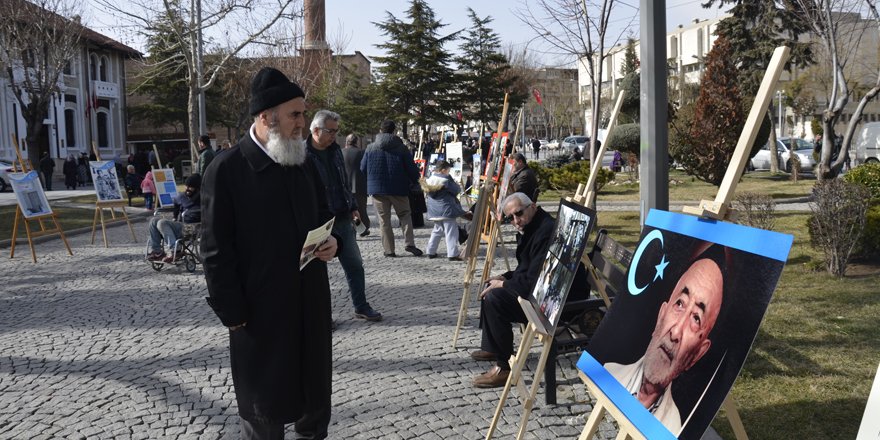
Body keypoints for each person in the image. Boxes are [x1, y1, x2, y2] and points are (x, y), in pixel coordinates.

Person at [201, 67, 339, 440]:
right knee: (264, 411)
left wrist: (332, 243)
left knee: (314, 404)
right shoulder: (226, 170)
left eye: (304, 113)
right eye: (295, 114)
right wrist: (232, 313)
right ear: (266, 117)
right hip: (259, 315)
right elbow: (215, 250)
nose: (303, 123)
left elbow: (325, 215)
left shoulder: (304, 163)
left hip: (309, 304)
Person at [604, 252, 725, 434]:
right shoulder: (608, 373)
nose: (675, 332)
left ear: (697, 354)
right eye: (680, 304)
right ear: (661, 316)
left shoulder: (673, 429)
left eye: (696, 319)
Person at [470, 193, 558, 388]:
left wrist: (505, 284)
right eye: (510, 218)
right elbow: (527, 269)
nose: (516, 220)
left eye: (519, 213)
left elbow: (534, 280)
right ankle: (493, 347)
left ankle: (504, 367)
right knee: (490, 286)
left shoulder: (544, 230)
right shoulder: (532, 226)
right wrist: (506, 277)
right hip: (539, 288)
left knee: (495, 297)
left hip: (552, 300)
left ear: (533, 206)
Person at [307, 110, 383, 322]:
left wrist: (352, 206)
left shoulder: (335, 151)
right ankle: (322, 315)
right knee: (317, 273)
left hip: (342, 218)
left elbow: (342, 181)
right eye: (330, 131)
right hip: (319, 223)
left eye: (336, 131)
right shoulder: (303, 154)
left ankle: (361, 306)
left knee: (354, 265)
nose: (334, 135)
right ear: (315, 130)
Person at [360, 120, 424, 257]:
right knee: (405, 215)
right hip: (399, 188)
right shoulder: (401, 148)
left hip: (377, 190)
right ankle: (409, 244)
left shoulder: (370, 147)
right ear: (394, 131)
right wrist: (415, 181)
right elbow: (412, 169)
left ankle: (389, 250)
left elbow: (362, 168)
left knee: (384, 221)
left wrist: (371, 181)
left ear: (380, 130)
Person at [146, 173, 202, 263]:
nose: (187, 189)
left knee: (162, 223)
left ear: (197, 188)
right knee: (154, 220)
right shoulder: (181, 197)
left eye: (190, 187)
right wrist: (175, 218)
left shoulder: (203, 197)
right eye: (186, 186)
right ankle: (157, 251)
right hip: (180, 225)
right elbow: (175, 208)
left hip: (194, 227)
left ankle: (177, 251)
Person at [420, 160, 469, 261]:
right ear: (443, 170)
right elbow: (457, 190)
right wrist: (454, 182)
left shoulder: (430, 179)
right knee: (451, 232)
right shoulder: (446, 180)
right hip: (446, 210)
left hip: (434, 211)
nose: (449, 172)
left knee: (437, 230)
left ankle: (430, 251)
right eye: (448, 170)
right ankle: (452, 253)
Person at [342, 133, 371, 237]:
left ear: (347, 142)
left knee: (348, 210)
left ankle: (352, 229)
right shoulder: (362, 152)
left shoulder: (341, 153)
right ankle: (363, 228)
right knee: (362, 209)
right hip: (360, 185)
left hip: (345, 186)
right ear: (356, 142)